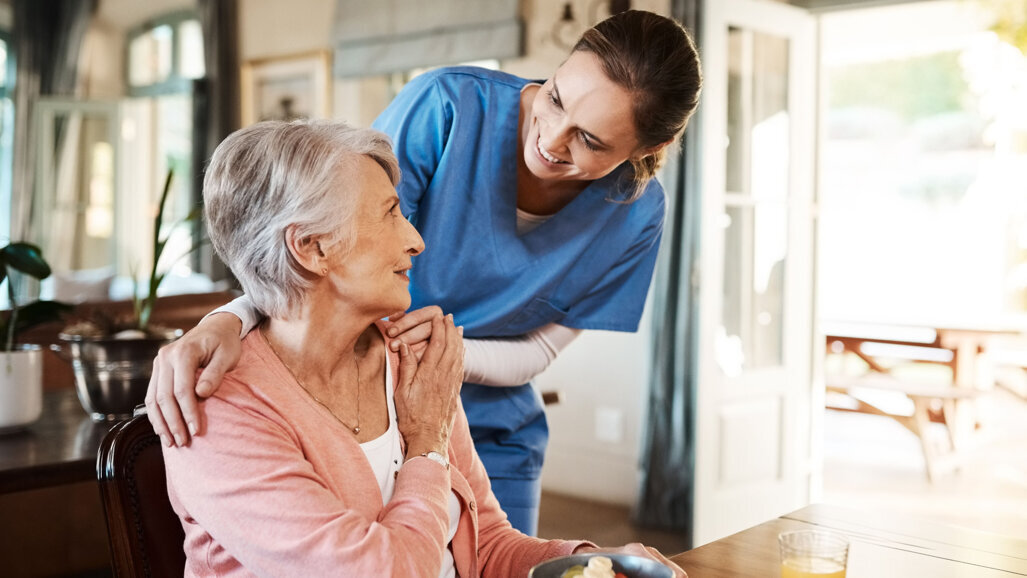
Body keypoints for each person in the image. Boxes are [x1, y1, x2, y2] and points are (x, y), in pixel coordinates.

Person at [147, 9, 703, 536]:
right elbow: (319, 238)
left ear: (648, 149)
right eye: (555, 98)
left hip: (491, 427)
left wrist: (440, 367)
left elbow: (540, 352)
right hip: (362, 404)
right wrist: (230, 317)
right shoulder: (447, 107)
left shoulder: (636, 215)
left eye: (590, 140)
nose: (551, 139)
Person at [162, 119, 686, 577]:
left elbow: (485, 545)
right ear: (312, 248)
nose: (416, 238)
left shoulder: (409, 362)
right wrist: (427, 445)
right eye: (390, 213)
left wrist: (595, 564)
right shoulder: (217, 409)